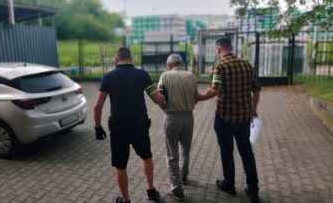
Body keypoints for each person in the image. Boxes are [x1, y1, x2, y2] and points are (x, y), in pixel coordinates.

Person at [93, 47, 165, 203]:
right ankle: (151, 191)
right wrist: (164, 95)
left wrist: (97, 126)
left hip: (118, 127)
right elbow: (157, 99)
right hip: (139, 124)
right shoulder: (142, 75)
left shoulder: (108, 77)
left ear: (116, 59)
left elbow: (97, 107)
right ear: (131, 59)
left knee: (120, 165)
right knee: (146, 157)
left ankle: (126, 200)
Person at [197, 37, 261, 203]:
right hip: (244, 118)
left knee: (226, 152)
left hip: (224, 118)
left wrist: (199, 97)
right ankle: (253, 190)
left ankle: (229, 184)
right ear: (230, 48)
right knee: (246, 153)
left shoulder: (220, 66)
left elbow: (214, 90)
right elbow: (257, 90)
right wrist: (253, 110)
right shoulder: (246, 65)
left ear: (218, 50)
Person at [158, 54, 199, 201]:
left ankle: (177, 190)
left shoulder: (165, 76)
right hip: (189, 117)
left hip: (172, 117)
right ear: (181, 63)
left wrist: (165, 108)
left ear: (169, 65)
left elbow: (160, 97)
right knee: (185, 149)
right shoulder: (191, 76)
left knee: (172, 154)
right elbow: (196, 97)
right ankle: (183, 176)